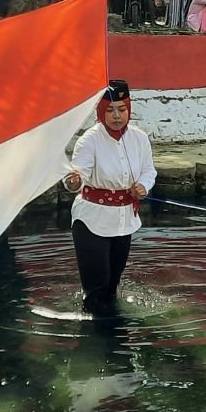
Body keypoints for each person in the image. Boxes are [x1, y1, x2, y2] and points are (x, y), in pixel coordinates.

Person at [62, 80, 157, 316]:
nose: (117, 116)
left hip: (124, 220)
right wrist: (74, 180)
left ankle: (114, 338)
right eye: (110, 110)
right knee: (97, 289)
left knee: (113, 286)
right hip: (92, 220)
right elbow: (77, 174)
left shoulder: (139, 138)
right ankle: (95, 339)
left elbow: (149, 170)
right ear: (100, 112)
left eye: (122, 110)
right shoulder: (89, 140)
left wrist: (143, 187)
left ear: (129, 108)